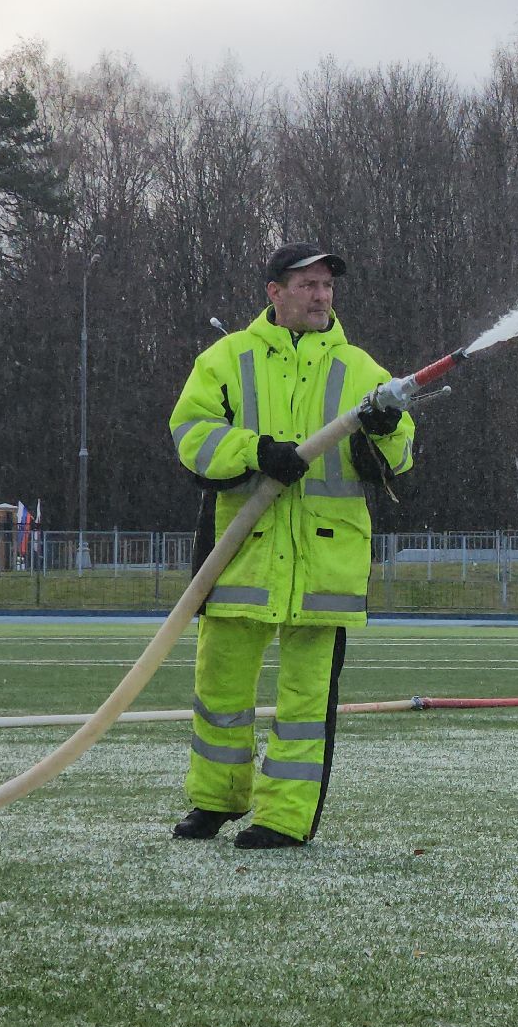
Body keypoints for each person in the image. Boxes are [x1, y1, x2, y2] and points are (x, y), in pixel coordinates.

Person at [166, 242, 415, 849]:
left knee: (306, 703)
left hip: (324, 565)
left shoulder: (362, 369)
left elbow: (401, 457)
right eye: (307, 284)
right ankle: (215, 802)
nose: (321, 295)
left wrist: (384, 431)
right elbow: (190, 434)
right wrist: (255, 451)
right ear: (274, 293)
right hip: (241, 554)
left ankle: (285, 818)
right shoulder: (226, 358)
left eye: (327, 285)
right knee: (220, 692)